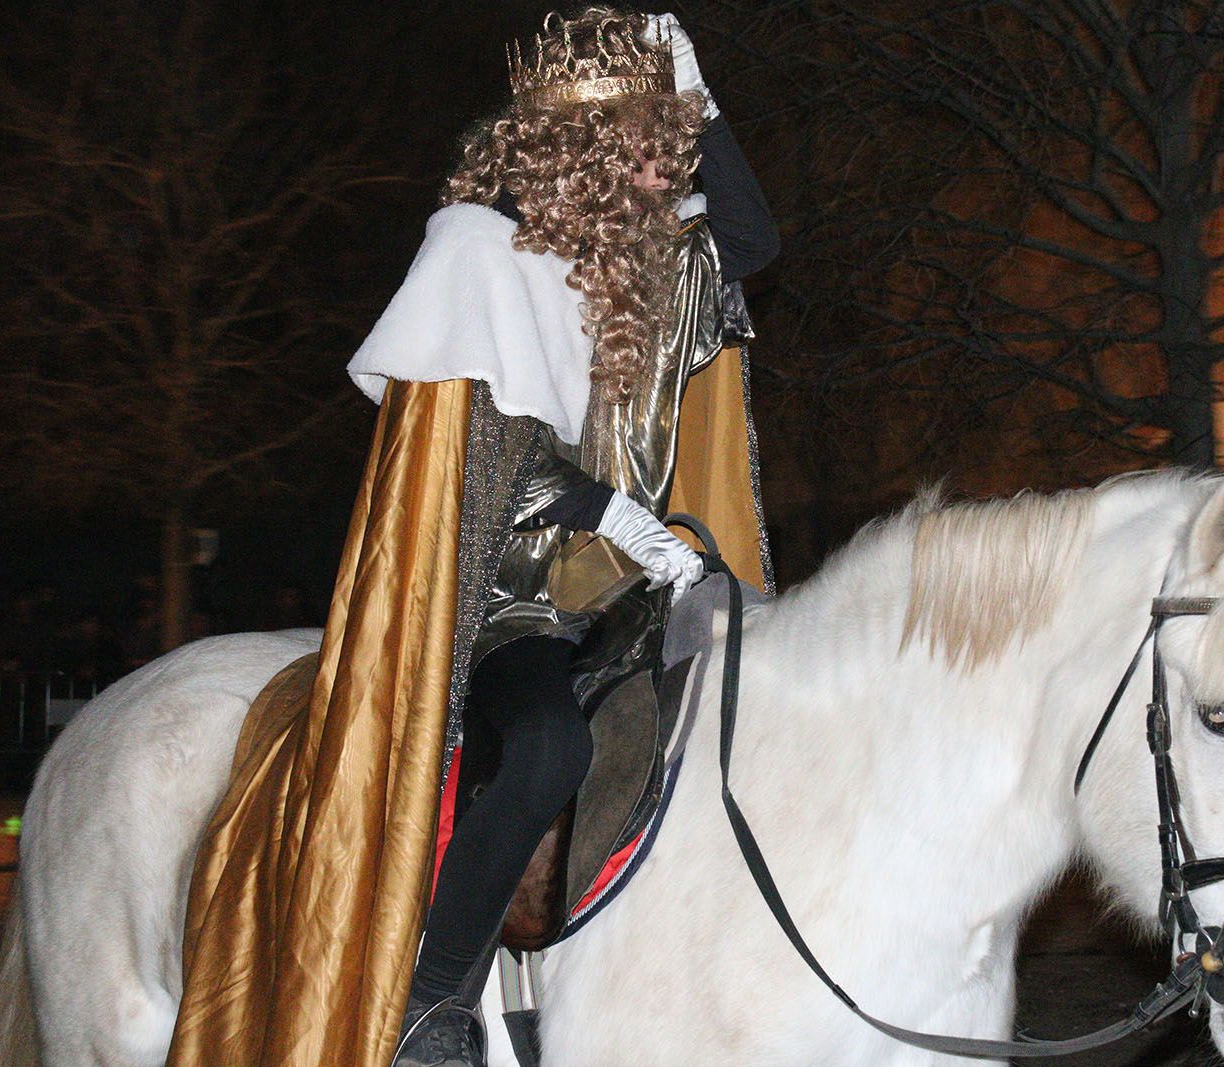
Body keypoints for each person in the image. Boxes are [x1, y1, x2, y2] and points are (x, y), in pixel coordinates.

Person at [340, 8, 778, 1065]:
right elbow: (470, 458)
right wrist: (607, 512)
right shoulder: (475, 250)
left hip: (616, 591)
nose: (664, 161)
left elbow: (755, 242)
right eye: (645, 139)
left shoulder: (637, 270)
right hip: (501, 595)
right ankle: (429, 994)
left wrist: (698, 92)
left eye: (667, 143)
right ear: (578, 148)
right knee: (548, 742)